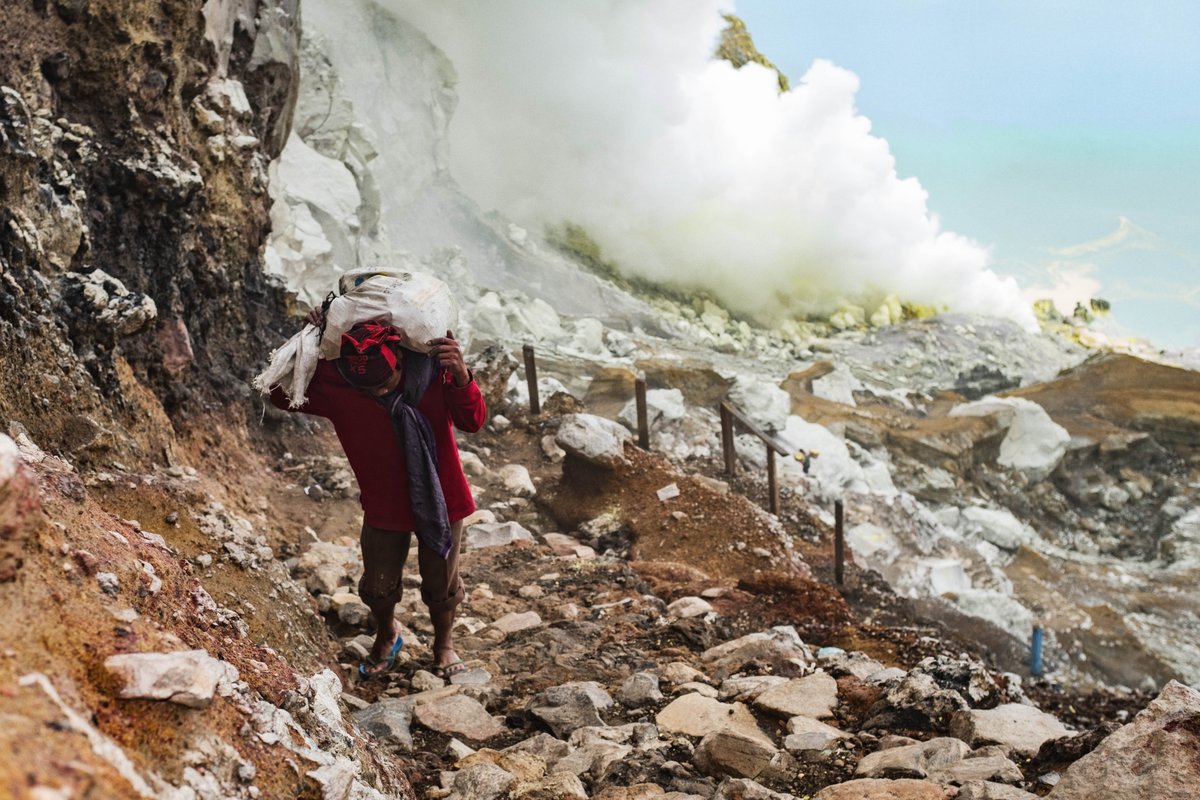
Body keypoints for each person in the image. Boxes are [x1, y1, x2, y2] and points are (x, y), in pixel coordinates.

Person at [269, 316, 486, 679]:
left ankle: (444, 645)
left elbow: (474, 421)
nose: (381, 393)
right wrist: (310, 340)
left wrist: (463, 375)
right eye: (369, 388)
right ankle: (387, 633)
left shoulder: (434, 373)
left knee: (442, 583)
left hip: (443, 498)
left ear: (401, 360)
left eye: (387, 383)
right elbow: (278, 393)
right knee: (379, 585)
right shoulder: (337, 385)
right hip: (384, 503)